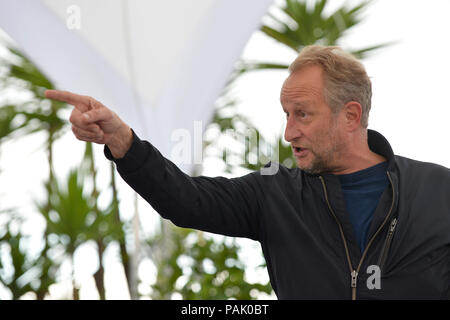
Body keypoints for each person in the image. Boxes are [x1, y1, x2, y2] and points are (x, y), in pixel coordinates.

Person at [45, 45, 450, 299]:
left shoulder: (439, 191)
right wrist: (123, 141)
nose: (289, 131)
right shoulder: (274, 193)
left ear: (351, 115)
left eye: (303, 114)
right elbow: (186, 200)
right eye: (286, 115)